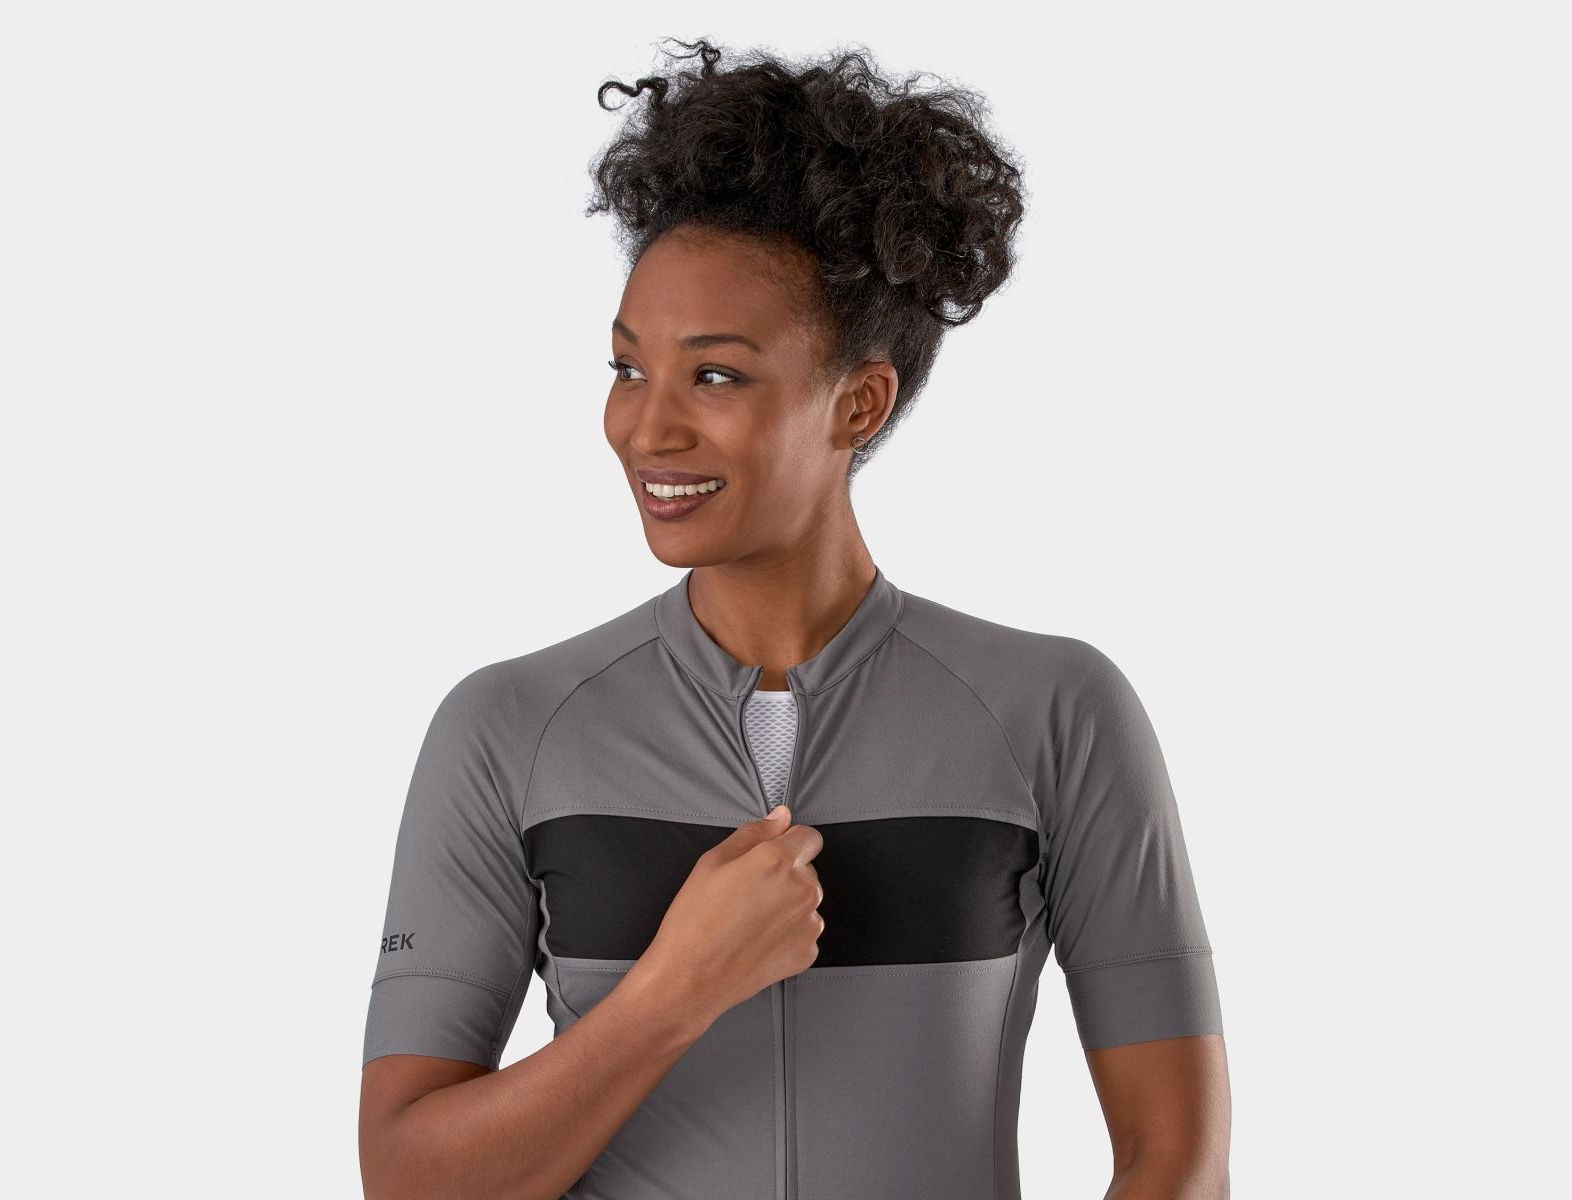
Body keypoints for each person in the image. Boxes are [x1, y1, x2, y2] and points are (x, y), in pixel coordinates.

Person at [358, 37, 1230, 1200]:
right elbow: (408, 1177)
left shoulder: (1053, 711)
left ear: (858, 402)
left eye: (716, 375)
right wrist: (673, 991)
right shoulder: (506, 726)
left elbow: (1177, 1161)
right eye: (627, 370)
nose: (647, 428)